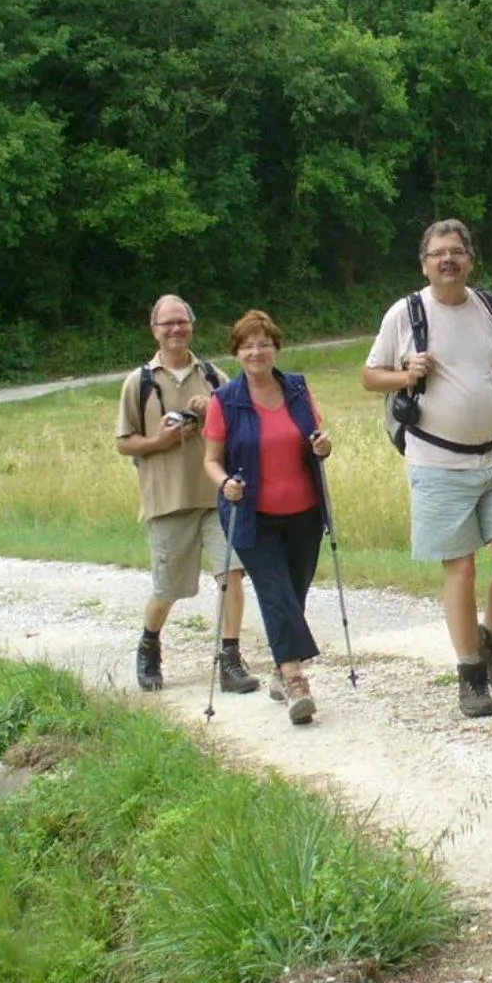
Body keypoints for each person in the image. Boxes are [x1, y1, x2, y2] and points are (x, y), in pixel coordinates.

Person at [363, 220, 492, 719]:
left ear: (470, 260)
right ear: (424, 263)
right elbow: (370, 376)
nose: (448, 260)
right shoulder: (407, 313)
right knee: (459, 569)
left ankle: (490, 634)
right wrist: (407, 373)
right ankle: (471, 674)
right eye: (438, 253)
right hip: (437, 460)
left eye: (456, 252)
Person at [115, 294, 255, 696]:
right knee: (168, 589)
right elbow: (124, 442)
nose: (175, 330)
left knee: (231, 575)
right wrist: (160, 440)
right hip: (168, 499)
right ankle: (149, 643)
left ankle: (230, 659)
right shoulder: (139, 382)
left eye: (182, 322)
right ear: (154, 330)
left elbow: (243, 425)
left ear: (192, 325)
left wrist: (214, 410)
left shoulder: (213, 376)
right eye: (167, 324)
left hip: (217, 495)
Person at [204, 309, 334, 726]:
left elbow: (316, 435)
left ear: (276, 347)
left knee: (294, 594)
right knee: (276, 593)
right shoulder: (224, 400)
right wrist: (225, 483)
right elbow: (211, 460)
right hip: (251, 516)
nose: (256, 351)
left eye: (263, 343)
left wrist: (323, 446)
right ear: (236, 353)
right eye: (247, 345)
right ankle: (297, 682)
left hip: (305, 512)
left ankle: (281, 666)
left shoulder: (297, 387)